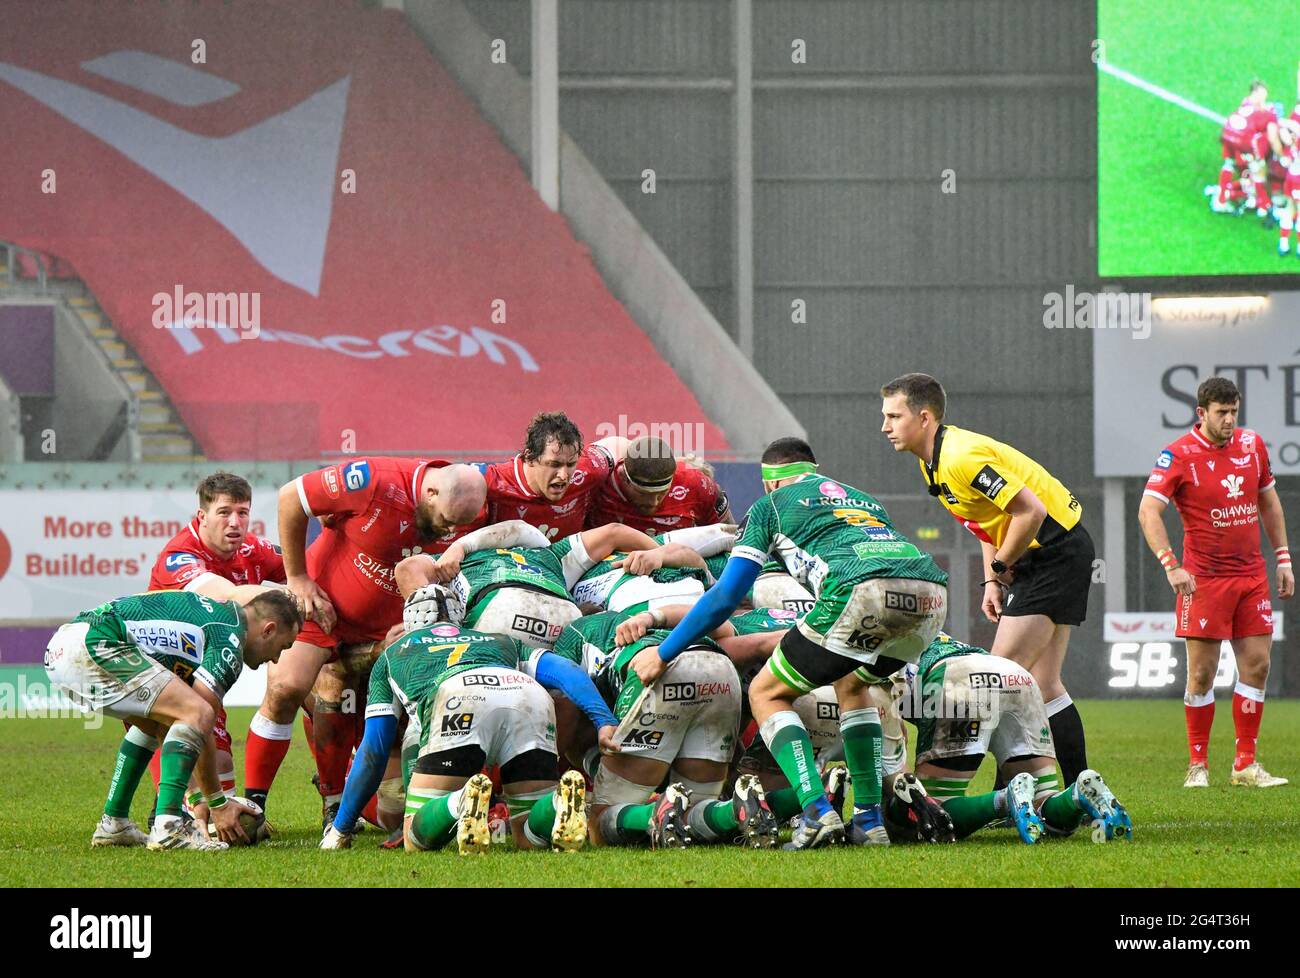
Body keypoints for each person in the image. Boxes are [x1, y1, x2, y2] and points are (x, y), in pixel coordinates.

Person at [629, 436, 949, 849]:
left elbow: (725, 597)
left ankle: (816, 811)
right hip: (932, 596)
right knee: (854, 685)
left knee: (766, 692)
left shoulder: (770, 506)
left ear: (769, 483)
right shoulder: (861, 498)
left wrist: (663, 651)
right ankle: (869, 822)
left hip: (862, 591)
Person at [244, 457, 485, 825]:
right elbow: (291, 497)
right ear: (430, 492)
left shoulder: (474, 497)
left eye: (457, 526)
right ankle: (255, 806)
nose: (447, 532)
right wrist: (296, 578)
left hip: (390, 632)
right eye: (445, 521)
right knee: (287, 687)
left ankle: (343, 796)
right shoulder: (373, 480)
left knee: (392, 811)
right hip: (324, 609)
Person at [881, 372, 1093, 787]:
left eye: (894, 416)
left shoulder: (961, 457)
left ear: (924, 418)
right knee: (1043, 684)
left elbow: (1029, 512)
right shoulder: (932, 464)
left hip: (1054, 552)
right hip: (1046, 554)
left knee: (1000, 676)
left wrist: (1000, 567)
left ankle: (1012, 789)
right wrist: (992, 581)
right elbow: (985, 522)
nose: (885, 427)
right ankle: (1078, 789)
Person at [321, 590, 618, 853]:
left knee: (413, 834)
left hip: (457, 696)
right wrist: (603, 719)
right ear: (459, 619)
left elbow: (375, 749)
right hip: (528, 694)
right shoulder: (499, 640)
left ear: (409, 624)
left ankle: (459, 802)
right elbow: (564, 671)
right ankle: (556, 804)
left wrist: (341, 828)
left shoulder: (393, 654)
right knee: (527, 834)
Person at [44, 588, 301, 850]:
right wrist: (218, 804)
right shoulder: (229, 640)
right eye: (283, 646)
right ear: (268, 629)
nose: (277, 658)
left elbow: (180, 729)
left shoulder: (219, 616)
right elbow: (202, 720)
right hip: (95, 645)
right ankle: (168, 828)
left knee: (161, 722)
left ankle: (114, 822)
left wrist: (197, 797)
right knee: (197, 712)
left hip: (64, 648)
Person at [1138, 376, 1292, 788]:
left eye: (1234, 412)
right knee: (1202, 675)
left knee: (1257, 665)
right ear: (1201, 413)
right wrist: (1171, 564)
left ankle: (1245, 764)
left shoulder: (1252, 446)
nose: (1229, 420)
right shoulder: (1178, 456)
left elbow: (1269, 502)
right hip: (1203, 580)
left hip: (1250, 575)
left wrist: (1283, 559)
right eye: (1221, 413)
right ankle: (1198, 764)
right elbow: (1148, 511)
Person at [892, 631, 1131, 844]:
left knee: (932, 810)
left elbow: (888, 745)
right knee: (1044, 806)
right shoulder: (914, 629)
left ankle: (1006, 798)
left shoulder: (865, 665)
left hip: (959, 678)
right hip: (1015, 676)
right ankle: (1078, 792)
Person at [145, 471, 286, 805]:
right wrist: (294, 599)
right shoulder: (178, 558)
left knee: (223, 778)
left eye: (243, 512)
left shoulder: (253, 549)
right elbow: (230, 597)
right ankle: (170, 809)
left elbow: (305, 566)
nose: (234, 522)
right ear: (202, 516)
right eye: (224, 512)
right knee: (177, 751)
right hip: (161, 675)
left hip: (209, 673)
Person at [588, 435, 733, 532]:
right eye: (643, 494)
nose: (653, 502)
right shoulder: (600, 483)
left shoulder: (696, 484)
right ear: (624, 477)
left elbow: (732, 537)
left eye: (662, 493)